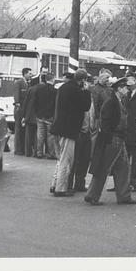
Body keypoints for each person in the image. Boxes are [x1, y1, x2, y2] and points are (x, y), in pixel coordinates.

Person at [85, 77, 136, 206]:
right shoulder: (111, 102)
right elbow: (106, 122)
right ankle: (92, 195)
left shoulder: (118, 101)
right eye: (125, 87)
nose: (127, 89)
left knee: (123, 167)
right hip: (112, 138)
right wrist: (109, 137)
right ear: (119, 89)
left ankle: (124, 196)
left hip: (118, 138)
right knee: (104, 168)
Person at [49, 69, 92, 197]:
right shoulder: (77, 90)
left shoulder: (63, 87)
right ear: (83, 80)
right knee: (66, 160)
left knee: (60, 158)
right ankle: (61, 189)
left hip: (58, 128)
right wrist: (87, 91)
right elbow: (86, 106)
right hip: (69, 130)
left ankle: (54, 184)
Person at [72, 74, 95, 192]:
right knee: (76, 159)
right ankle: (71, 183)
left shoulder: (90, 97)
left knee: (85, 159)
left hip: (88, 131)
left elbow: (92, 114)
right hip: (80, 131)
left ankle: (80, 183)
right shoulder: (80, 95)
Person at [33, 70, 58, 159]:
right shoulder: (55, 91)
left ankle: (39, 152)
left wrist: (37, 113)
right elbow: (56, 104)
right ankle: (51, 154)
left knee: (40, 134)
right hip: (50, 116)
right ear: (53, 79)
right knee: (50, 136)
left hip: (39, 115)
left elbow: (35, 102)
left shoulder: (39, 89)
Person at [13, 67, 32, 156]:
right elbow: (16, 95)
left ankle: (23, 148)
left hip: (25, 109)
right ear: (24, 74)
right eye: (29, 73)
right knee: (18, 129)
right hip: (19, 109)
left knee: (23, 129)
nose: (31, 75)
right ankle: (18, 149)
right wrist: (17, 104)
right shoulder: (19, 83)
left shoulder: (28, 83)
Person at [21, 75, 39, 156]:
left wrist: (24, 115)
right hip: (37, 115)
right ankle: (36, 151)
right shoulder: (40, 89)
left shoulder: (30, 90)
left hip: (29, 115)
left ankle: (28, 152)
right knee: (36, 136)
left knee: (28, 136)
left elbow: (25, 103)